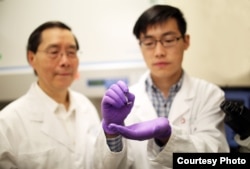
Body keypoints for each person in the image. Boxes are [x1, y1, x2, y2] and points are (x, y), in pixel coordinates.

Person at [100, 4, 230, 169]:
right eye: (149, 42)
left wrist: (168, 138)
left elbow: (215, 157)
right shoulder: (125, 99)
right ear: (140, 46)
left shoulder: (210, 95)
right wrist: (111, 135)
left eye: (168, 40)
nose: (159, 51)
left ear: (186, 41)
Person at [0, 21, 126, 169]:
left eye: (71, 52)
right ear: (32, 58)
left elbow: (101, 164)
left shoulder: (85, 106)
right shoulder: (7, 123)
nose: (65, 61)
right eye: (54, 52)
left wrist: (112, 134)